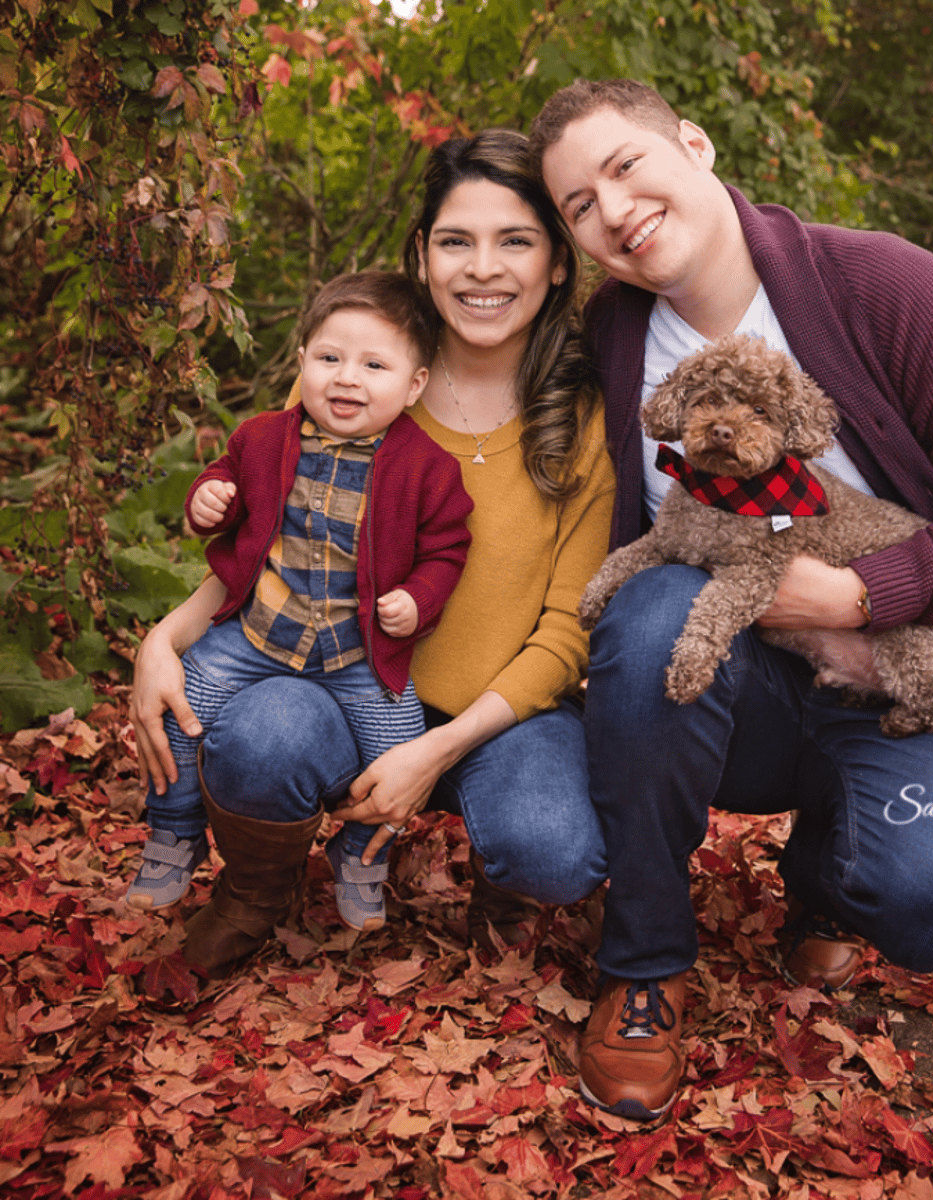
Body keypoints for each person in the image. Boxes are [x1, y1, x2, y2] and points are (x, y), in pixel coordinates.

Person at [528, 78, 933, 1121]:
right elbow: (464, 383)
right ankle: (645, 962)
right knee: (649, 613)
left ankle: (832, 870)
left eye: (626, 166)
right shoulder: (611, 335)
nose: (613, 210)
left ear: (695, 145)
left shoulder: (883, 283)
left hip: (901, 667)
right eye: (579, 204)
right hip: (731, 682)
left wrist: (860, 595)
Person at [129, 130, 614, 978]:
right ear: (422, 255)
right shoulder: (356, 372)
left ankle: (502, 883)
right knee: (259, 735)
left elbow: (569, 629)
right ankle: (256, 889)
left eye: (515, 241)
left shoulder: (581, 418)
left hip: (496, 716)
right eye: (456, 241)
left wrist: (435, 751)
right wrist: (163, 639)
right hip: (336, 682)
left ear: (559, 263)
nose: (483, 269)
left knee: (554, 848)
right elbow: (274, 545)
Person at [124, 272, 474, 933]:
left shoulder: (428, 469)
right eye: (330, 358)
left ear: (415, 384)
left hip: (358, 652)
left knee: (399, 745)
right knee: (179, 707)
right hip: (257, 633)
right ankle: (174, 830)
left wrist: (417, 599)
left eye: (374, 366)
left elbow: (447, 549)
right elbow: (224, 482)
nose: (347, 379)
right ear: (303, 360)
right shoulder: (262, 438)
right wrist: (207, 500)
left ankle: (361, 854)